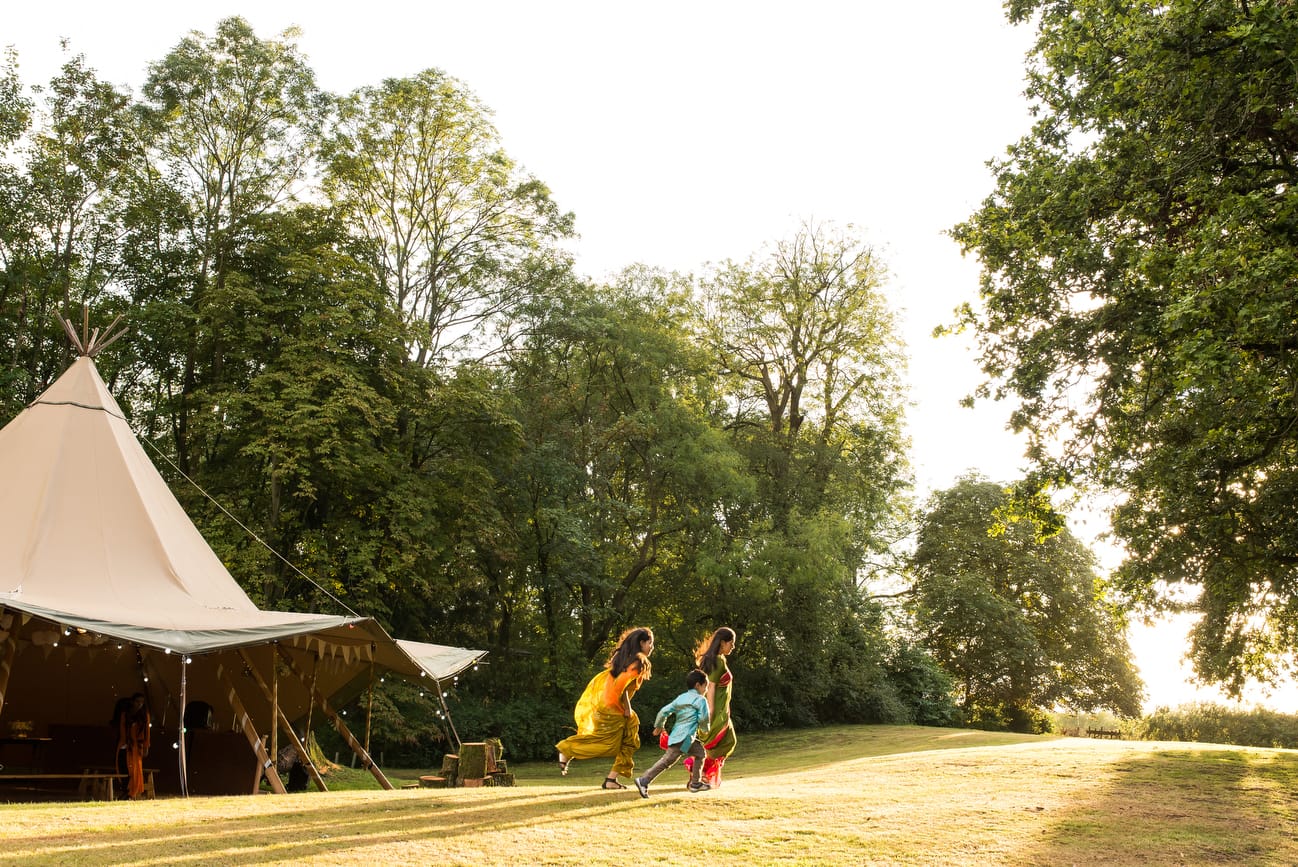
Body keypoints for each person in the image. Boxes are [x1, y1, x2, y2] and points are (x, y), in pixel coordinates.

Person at [556, 626, 654, 790]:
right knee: (609, 745)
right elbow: (621, 684)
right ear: (642, 642)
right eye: (651, 643)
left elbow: (620, 684)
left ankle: (611, 780)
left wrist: (627, 708)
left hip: (611, 704)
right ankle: (567, 749)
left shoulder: (625, 659)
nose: (652, 647)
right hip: (612, 707)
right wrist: (626, 708)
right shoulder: (639, 662)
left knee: (630, 740)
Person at [633, 668, 712, 798]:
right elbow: (704, 718)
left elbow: (664, 711)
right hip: (685, 738)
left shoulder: (681, 698)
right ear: (698, 685)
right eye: (706, 686)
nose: (706, 690)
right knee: (668, 760)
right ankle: (644, 780)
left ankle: (695, 783)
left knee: (699, 753)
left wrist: (659, 726)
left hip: (680, 736)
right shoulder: (700, 700)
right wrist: (705, 729)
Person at [687, 626, 738, 788]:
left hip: (721, 710)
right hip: (714, 711)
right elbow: (711, 687)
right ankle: (701, 773)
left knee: (723, 742)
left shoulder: (719, 660)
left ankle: (701, 773)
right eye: (731, 643)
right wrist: (710, 711)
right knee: (724, 742)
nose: (733, 646)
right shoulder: (717, 661)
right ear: (723, 642)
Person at [117, 692, 151, 800]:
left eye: (141, 702)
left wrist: (146, 746)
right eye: (137, 701)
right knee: (124, 768)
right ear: (132, 702)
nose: (139, 704)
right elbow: (122, 728)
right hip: (125, 744)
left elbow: (146, 732)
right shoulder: (126, 714)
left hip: (137, 746)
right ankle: (125, 790)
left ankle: (131, 792)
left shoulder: (144, 715)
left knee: (134, 769)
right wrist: (124, 742)